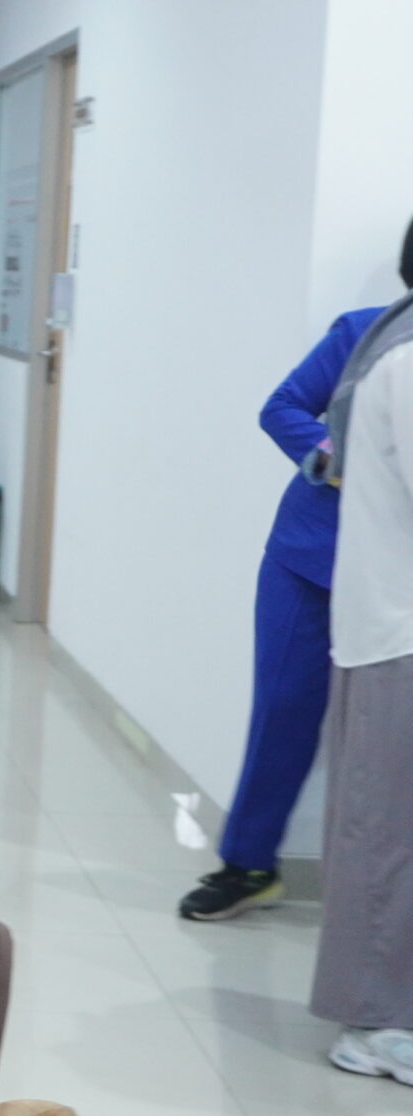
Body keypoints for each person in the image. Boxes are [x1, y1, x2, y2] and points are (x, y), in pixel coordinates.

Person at [180, 222, 413, 920]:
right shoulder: (364, 334)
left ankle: (371, 901)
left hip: (397, 581)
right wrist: (330, 456)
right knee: (282, 710)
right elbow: (282, 407)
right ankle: (248, 863)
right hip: (312, 558)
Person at [312, 279, 413, 1085]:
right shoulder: (408, 364)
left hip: (393, 629)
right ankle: (374, 1024)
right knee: (386, 830)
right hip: (398, 633)